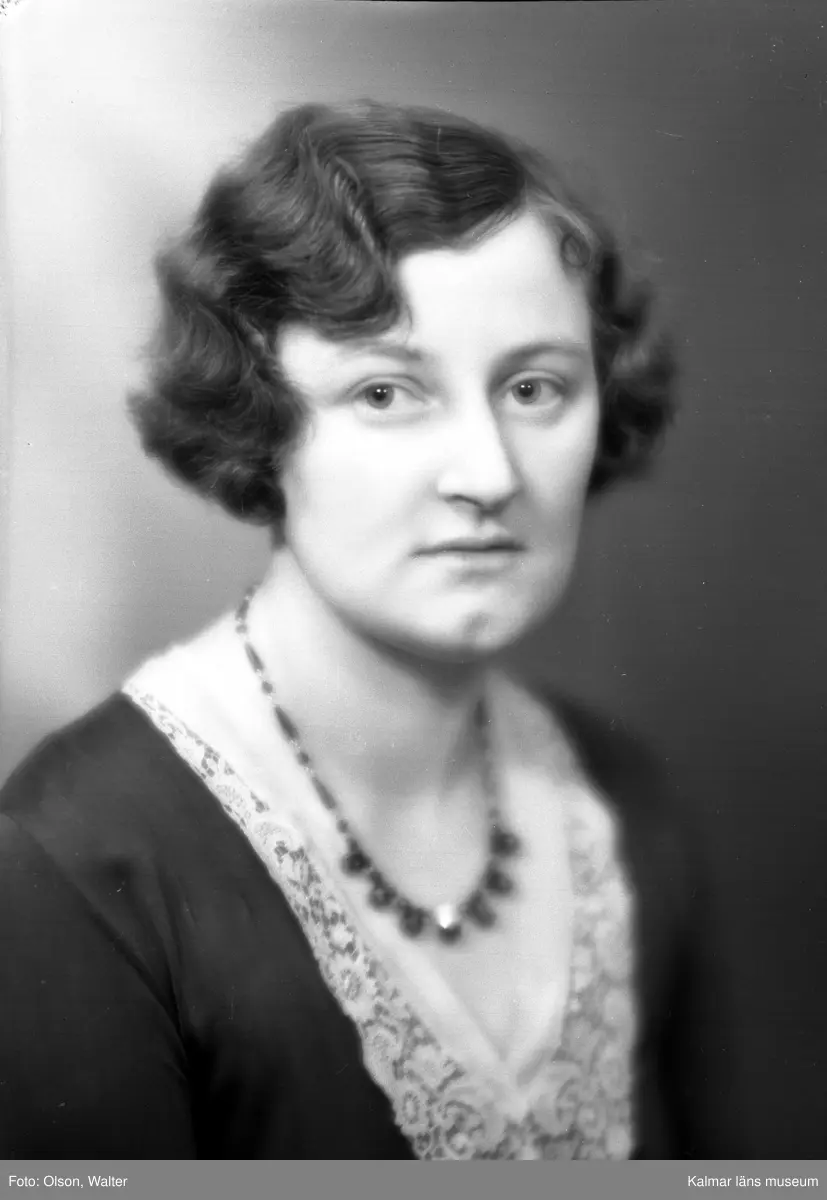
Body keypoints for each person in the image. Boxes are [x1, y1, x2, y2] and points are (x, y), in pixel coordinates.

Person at [0, 99, 706, 1159]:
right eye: (385, 391)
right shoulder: (72, 853)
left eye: (533, 387)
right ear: (258, 418)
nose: (488, 474)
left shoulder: (622, 803)